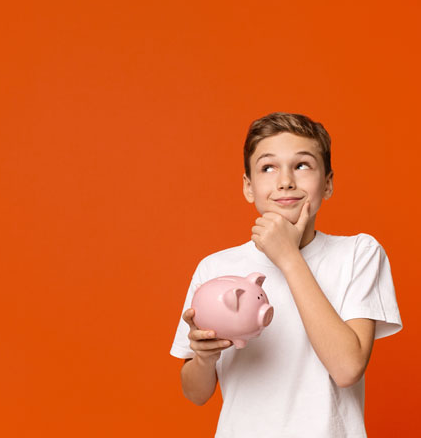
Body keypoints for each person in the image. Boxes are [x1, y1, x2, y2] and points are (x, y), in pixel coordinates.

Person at [170, 112, 402, 437]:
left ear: (329, 183)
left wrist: (289, 257)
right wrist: (204, 358)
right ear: (248, 187)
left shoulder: (359, 253)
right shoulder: (215, 268)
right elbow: (195, 394)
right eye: (268, 167)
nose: (285, 181)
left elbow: (348, 368)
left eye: (302, 165)